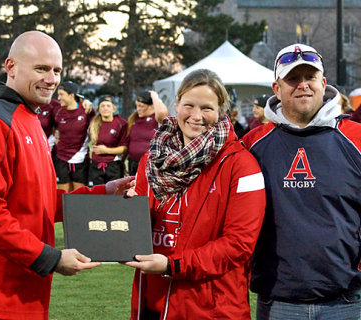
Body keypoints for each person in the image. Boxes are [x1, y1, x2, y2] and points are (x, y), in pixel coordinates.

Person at [0, 30, 133, 320]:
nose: (52, 79)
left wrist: (104, 193)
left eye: (56, 70)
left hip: (23, 297)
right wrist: (50, 258)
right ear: (11, 67)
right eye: (41, 68)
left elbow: (36, 202)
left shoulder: (29, 118)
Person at [125, 69, 266, 319]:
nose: (196, 116)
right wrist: (126, 218)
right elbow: (142, 228)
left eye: (207, 108)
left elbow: (239, 245)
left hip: (209, 308)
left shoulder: (242, 165)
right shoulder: (152, 160)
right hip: (152, 301)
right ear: (176, 105)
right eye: (189, 105)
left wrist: (173, 265)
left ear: (222, 111)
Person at [242, 43, 361, 320]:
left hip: (346, 300)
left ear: (323, 82)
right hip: (278, 301)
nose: (303, 85)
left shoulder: (356, 138)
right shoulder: (251, 144)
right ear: (276, 88)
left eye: (310, 77)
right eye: (293, 79)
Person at [54, 80, 94, 192]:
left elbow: (98, 125)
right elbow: (53, 126)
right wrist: (56, 133)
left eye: (61, 94)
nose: (59, 98)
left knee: (78, 195)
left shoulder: (86, 110)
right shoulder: (58, 111)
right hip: (61, 158)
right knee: (63, 195)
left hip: (80, 159)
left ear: (71, 95)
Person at [88, 95, 128, 186]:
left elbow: (125, 148)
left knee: (113, 196)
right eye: (102, 106)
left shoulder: (121, 123)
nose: (105, 108)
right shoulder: (93, 123)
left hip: (113, 165)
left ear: (113, 109)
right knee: (98, 195)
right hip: (96, 165)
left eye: (108, 106)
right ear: (98, 108)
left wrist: (106, 150)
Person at [127, 90, 168, 176]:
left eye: (141, 106)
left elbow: (162, 113)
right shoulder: (134, 119)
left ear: (152, 106)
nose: (138, 109)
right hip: (133, 163)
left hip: (150, 163)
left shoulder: (157, 120)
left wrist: (154, 96)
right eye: (137, 106)